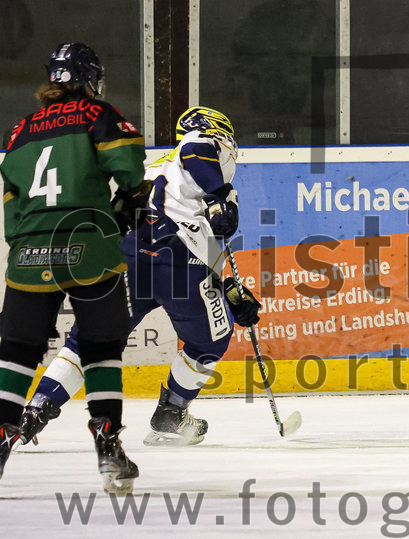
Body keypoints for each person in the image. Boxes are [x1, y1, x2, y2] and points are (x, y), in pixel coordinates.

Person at [17, 106, 261, 448]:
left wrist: (230, 289)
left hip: (125, 252)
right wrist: (221, 198)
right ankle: (171, 415)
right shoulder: (203, 144)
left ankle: (36, 408)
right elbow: (196, 151)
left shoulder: (155, 169)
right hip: (174, 256)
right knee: (210, 341)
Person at [0, 43, 149, 492]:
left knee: (17, 352)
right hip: (88, 244)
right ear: (88, 79)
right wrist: (129, 203)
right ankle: (108, 448)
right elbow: (128, 165)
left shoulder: (21, 129)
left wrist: (27, 241)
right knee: (102, 347)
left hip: (28, 251)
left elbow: (11, 201)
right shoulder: (95, 113)